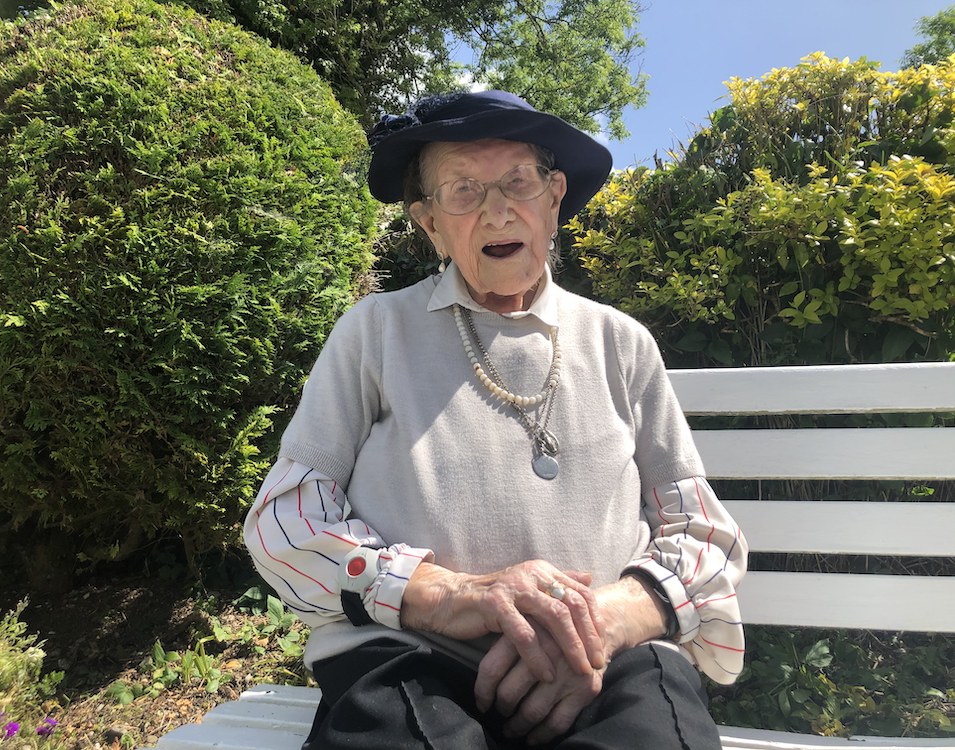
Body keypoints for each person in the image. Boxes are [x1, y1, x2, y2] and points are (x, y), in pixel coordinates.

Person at [243, 90, 747, 749]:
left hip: (608, 664)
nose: (498, 210)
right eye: (463, 191)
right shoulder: (375, 331)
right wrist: (443, 594)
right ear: (429, 224)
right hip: (409, 656)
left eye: (519, 182)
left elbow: (706, 536)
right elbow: (283, 523)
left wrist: (597, 626)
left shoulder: (621, 343)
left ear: (555, 196)